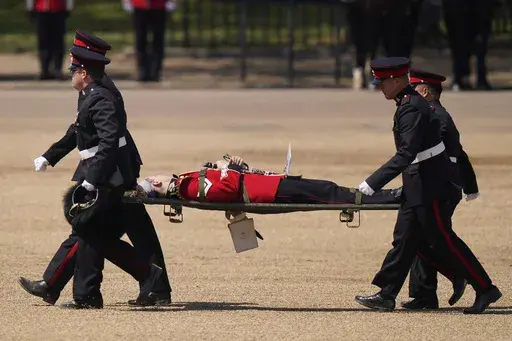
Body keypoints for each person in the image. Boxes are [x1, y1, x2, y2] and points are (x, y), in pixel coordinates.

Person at [20, 31, 172, 307]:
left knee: (88, 228)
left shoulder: (100, 96)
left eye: (73, 69)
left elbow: (108, 141)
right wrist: (50, 156)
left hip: (109, 171)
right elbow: (78, 129)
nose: (70, 74)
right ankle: (143, 287)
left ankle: (85, 291)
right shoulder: (91, 90)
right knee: (122, 228)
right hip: (111, 168)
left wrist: (91, 180)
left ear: (84, 72)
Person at [354, 57, 501, 314]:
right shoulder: (408, 103)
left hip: (430, 184)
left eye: (382, 82)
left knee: (443, 241)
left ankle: (485, 288)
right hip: (418, 182)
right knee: (404, 239)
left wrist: (372, 183)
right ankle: (387, 294)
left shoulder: (412, 108)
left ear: (398, 81)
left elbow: (406, 153)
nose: (379, 87)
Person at [400, 69, 480, 310]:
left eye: (413, 90)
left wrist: (466, 186)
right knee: (423, 237)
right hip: (433, 185)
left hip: (438, 187)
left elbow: (453, 155)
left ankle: (464, 277)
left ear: (425, 92)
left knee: (436, 239)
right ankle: (424, 295)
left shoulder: (436, 117)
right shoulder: (433, 114)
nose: (409, 94)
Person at [135, 155, 402, 205]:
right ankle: (387, 197)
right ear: (157, 185)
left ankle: (386, 195)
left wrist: (235, 166)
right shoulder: (186, 186)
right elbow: (227, 189)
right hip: (269, 192)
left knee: (326, 188)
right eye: (152, 178)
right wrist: (228, 168)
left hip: (268, 184)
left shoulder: (185, 181)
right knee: (327, 192)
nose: (155, 175)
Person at [122, 0, 176, 82]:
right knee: (140, 39)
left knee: (158, 40)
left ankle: (155, 72)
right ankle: (143, 71)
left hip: (159, 5)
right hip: (139, 4)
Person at [26, 0, 73, 80]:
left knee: (58, 41)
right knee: (43, 41)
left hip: (59, 10)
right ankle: (45, 70)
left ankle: (57, 70)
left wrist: (69, 7)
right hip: (41, 10)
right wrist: (30, 8)